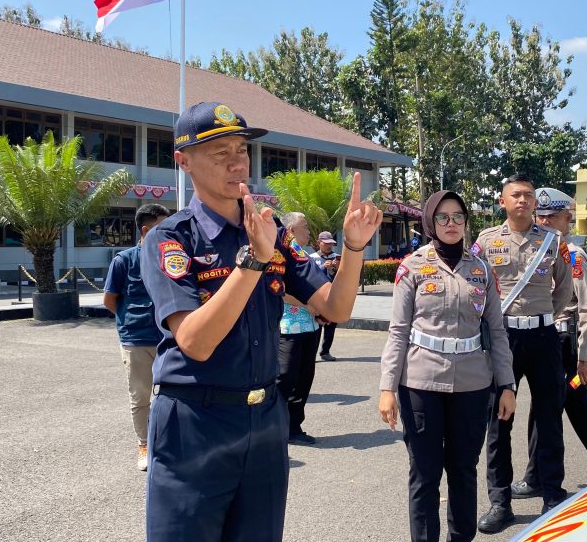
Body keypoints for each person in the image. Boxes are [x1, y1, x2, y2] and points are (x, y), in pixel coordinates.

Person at [139, 101, 382, 541]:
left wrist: (353, 246)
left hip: (265, 419)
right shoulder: (171, 237)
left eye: (241, 149)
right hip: (195, 419)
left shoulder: (271, 233)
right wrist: (254, 260)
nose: (237, 163)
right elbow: (194, 340)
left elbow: (336, 308)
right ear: (184, 161)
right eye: (220, 153)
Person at [379, 190, 516, 542]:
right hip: (421, 384)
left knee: (463, 472)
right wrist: (387, 388)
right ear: (430, 223)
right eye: (442, 217)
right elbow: (398, 331)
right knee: (424, 474)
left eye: (458, 217)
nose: (451, 224)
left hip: (472, 385)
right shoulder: (412, 267)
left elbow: (497, 331)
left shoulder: (481, 269)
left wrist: (507, 385)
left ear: (466, 222)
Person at [511, 188, 587, 500]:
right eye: (542, 216)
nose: (547, 221)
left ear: (568, 220)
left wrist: (585, 357)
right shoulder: (540, 250)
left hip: (568, 345)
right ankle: (539, 476)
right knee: (545, 409)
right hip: (547, 341)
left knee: (576, 408)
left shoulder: (572, 255)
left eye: (554, 216)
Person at [475, 174, 574, 533]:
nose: (523, 200)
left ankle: (551, 494)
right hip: (503, 340)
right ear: (502, 201)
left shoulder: (553, 240)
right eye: (515, 195)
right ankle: (500, 501)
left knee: (549, 416)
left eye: (528, 195)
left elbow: (563, 288)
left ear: (535, 203)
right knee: (498, 420)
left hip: (545, 336)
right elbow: (475, 284)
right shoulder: (486, 241)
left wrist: (543, 314)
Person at [103, 203, 171, 471]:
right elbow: (110, 300)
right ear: (146, 229)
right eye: (162, 227)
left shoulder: (171, 257)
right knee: (141, 397)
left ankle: (166, 443)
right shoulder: (124, 260)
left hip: (169, 338)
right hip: (137, 339)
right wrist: (130, 322)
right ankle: (144, 444)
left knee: (173, 395)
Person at [277, 212, 325, 445]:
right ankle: (274, 428)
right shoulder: (283, 253)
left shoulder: (304, 254)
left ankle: (294, 428)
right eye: (304, 227)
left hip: (310, 326)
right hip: (288, 327)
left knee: (305, 378)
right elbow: (281, 290)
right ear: (291, 230)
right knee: (284, 379)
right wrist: (309, 305)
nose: (309, 231)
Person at [309, 230, 340, 361]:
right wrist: (322, 267)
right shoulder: (311, 258)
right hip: (317, 297)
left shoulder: (337, 257)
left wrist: (338, 268)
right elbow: (309, 276)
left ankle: (325, 352)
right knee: (316, 326)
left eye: (331, 243)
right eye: (326, 243)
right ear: (319, 243)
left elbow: (344, 278)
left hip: (333, 296)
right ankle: (311, 354)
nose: (329, 246)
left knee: (331, 325)